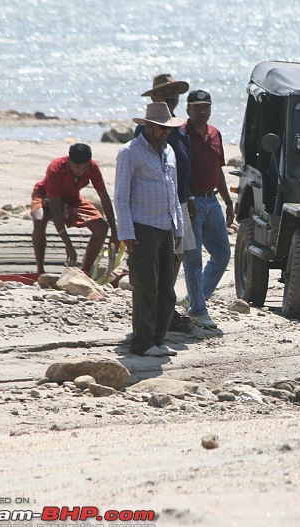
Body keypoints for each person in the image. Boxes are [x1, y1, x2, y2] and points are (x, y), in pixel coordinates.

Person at [114, 102, 185, 357]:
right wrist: (127, 233)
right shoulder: (130, 152)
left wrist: (179, 229)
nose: (167, 132)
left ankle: (157, 338)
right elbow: (121, 197)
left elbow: (173, 193)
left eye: (168, 127)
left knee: (167, 287)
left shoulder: (170, 152)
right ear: (149, 126)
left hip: (166, 226)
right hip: (143, 228)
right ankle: (142, 342)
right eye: (162, 127)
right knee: (146, 286)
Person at [138, 73, 196, 333]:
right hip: (159, 207)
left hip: (180, 202)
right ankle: (161, 313)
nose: (171, 95)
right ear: (153, 97)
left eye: (174, 91)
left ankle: (166, 309)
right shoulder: (147, 130)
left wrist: (190, 196)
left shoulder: (179, 128)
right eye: (164, 92)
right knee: (164, 260)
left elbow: (182, 166)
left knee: (178, 256)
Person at [181, 89, 235, 329]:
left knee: (222, 253)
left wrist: (228, 200)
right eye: (197, 107)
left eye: (206, 107)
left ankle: (195, 297)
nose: (202, 111)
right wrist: (188, 198)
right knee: (193, 259)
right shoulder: (181, 135)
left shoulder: (215, 134)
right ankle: (198, 309)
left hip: (212, 201)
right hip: (191, 202)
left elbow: (218, 169)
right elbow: (179, 172)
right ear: (188, 109)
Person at [31, 143, 118, 275]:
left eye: (85, 167)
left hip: (72, 198)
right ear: (69, 161)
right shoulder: (56, 169)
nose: (81, 171)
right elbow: (55, 209)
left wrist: (114, 231)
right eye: (77, 167)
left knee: (101, 227)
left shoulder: (92, 167)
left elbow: (104, 197)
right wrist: (68, 244)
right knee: (39, 220)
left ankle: (85, 271)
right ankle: (40, 271)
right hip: (47, 197)